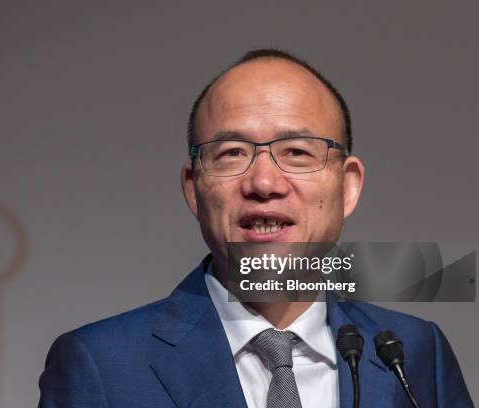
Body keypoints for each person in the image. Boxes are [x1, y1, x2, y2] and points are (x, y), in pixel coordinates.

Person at [38, 49, 473, 408]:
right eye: (231, 153)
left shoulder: (413, 354)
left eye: (298, 152)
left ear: (348, 187)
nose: (264, 183)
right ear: (193, 188)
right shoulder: (100, 364)